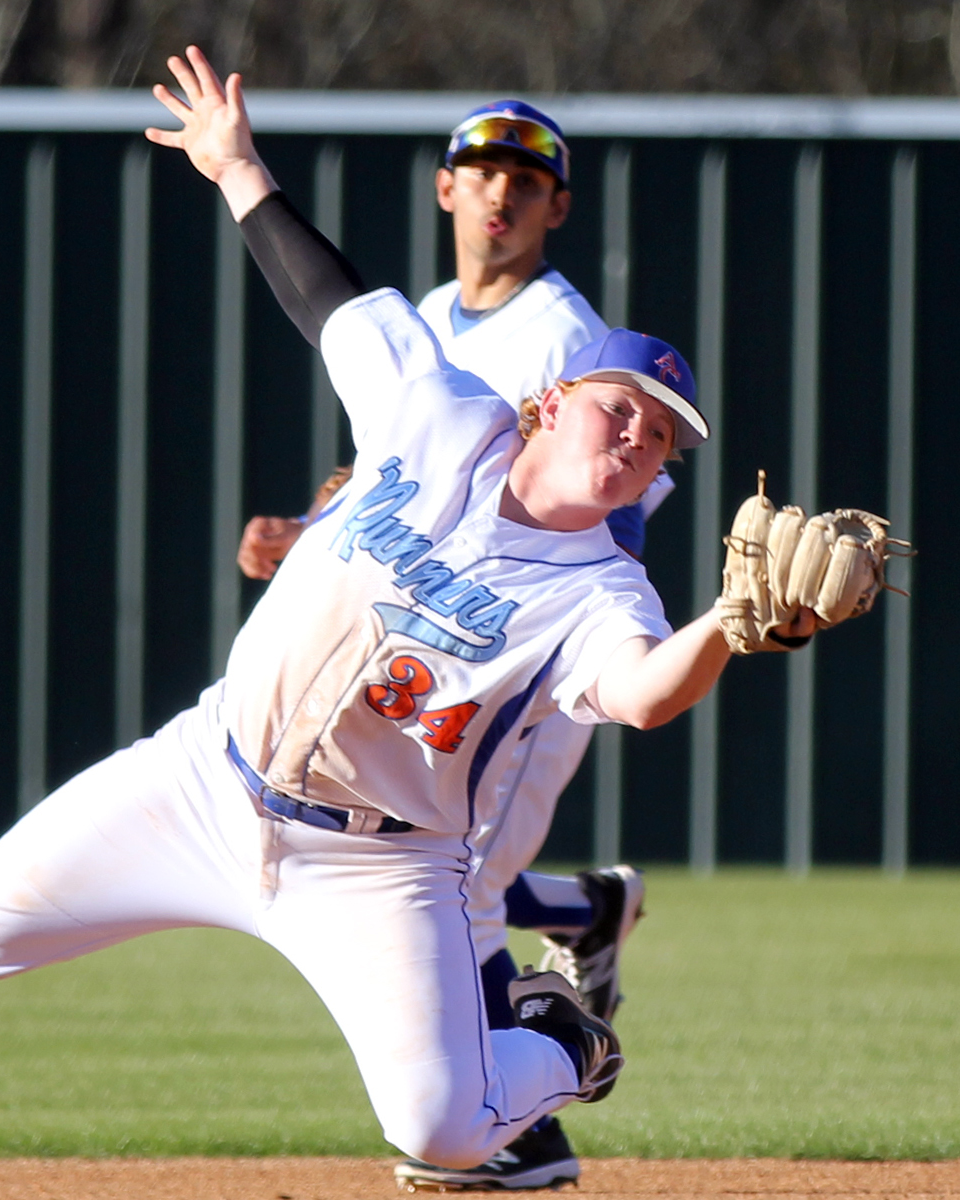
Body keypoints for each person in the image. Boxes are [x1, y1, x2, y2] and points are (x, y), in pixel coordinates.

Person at [0, 47, 811, 1171]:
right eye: (621, 410)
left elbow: (643, 694)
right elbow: (327, 300)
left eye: (663, 440)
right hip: (206, 778)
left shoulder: (601, 585)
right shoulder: (437, 409)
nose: (637, 439)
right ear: (550, 404)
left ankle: (564, 1046)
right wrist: (235, 167)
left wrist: (731, 626)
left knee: (438, 1127)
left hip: (379, 863)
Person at [236, 97, 661, 1190]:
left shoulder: (562, 339)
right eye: (481, 170)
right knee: (444, 877)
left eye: (526, 178)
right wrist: (313, 530)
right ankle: (584, 913)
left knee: (452, 881)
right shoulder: (437, 312)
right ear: (447, 188)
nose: (500, 191)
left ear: (557, 205)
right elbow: (402, 481)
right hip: (431, 651)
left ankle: (526, 1134)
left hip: (521, 659)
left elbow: (575, 513)